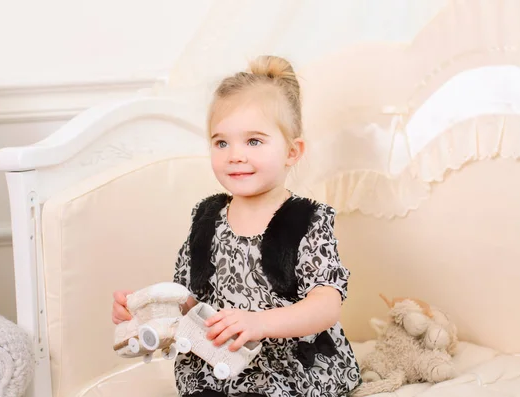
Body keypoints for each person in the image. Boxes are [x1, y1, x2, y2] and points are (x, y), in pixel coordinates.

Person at [112, 55, 362, 397]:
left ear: (292, 151)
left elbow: (326, 304)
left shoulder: (306, 220)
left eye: (254, 141)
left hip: (289, 363)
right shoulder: (206, 218)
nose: (235, 155)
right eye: (221, 142)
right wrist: (144, 309)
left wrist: (260, 322)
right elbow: (190, 300)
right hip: (218, 358)